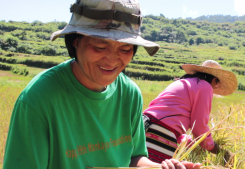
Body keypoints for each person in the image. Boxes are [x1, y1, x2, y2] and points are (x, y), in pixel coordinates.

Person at [3, 0, 201, 169]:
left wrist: (159, 167)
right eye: (99, 46)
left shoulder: (129, 93)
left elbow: (134, 158)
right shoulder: (39, 100)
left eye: (124, 49)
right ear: (75, 41)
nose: (112, 60)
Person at [143, 60, 238, 163]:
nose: (215, 88)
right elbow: (199, 127)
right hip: (161, 132)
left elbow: (169, 116)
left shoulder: (182, 82)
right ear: (214, 79)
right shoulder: (205, 86)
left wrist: (188, 141)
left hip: (144, 126)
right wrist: (218, 150)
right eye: (217, 85)